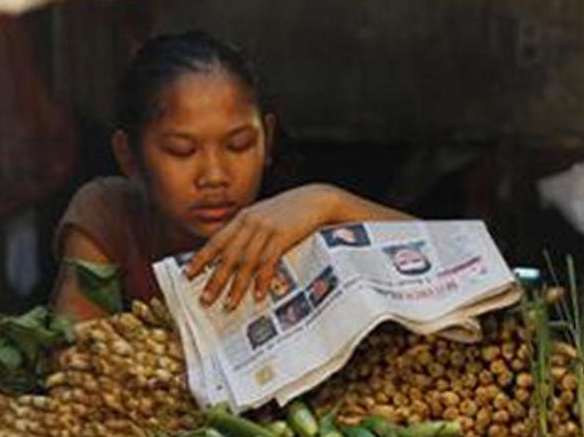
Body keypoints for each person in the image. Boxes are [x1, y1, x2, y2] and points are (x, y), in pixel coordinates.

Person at [51, 31, 411, 320]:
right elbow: (72, 351)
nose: (214, 176)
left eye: (238, 145)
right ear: (129, 157)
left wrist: (328, 202)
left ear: (267, 139)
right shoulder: (109, 215)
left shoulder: (301, 219)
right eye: (182, 150)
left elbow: (442, 259)